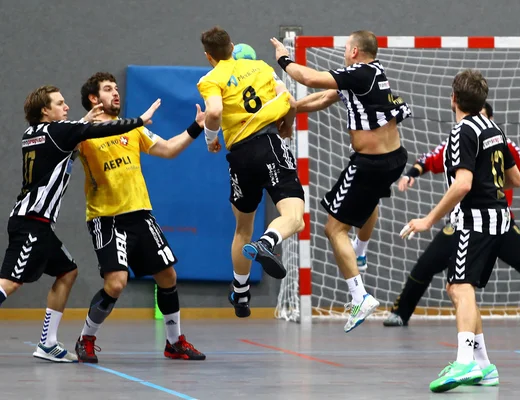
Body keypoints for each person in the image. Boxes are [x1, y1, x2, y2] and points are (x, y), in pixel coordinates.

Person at [385, 102, 520, 329]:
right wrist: (412, 173)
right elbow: (429, 159)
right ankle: (400, 312)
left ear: (491, 120)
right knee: (426, 265)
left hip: (499, 222)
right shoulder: (461, 140)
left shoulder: (500, 142)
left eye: (482, 116)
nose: (476, 121)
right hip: (464, 222)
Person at [0, 84, 158, 362]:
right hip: (30, 224)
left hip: (38, 224)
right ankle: (47, 342)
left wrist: (83, 122)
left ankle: (47, 343)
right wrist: (140, 121)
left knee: (68, 271)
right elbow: (95, 131)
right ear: (45, 110)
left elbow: (71, 134)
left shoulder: (32, 134)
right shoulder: (60, 131)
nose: (67, 106)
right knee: (10, 283)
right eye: (60, 103)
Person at [272, 30, 412, 332]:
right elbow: (324, 97)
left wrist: (283, 58)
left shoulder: (359, 72)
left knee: (333, 228)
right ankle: (360, 254)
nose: (343, 52)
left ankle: (359, 296)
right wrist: (292, 107)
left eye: (346, 48)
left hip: (370, 164)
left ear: (355, 52)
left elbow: (307, 78)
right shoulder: (373, 74)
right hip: (393, 158)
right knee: (368, 201)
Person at [400, 69, 520, 392]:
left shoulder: (462, 132)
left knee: (460, 287)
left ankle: (465, 362)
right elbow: (515, 180)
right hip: (500, 220)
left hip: (474, 220)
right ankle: (484, 366)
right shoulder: (494, 128)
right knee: (458, 289)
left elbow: (463, 184)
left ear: (453, 98)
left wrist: (428, 219)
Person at [74, 72, 206, 363]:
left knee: (168, 275)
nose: (116, 93)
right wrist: (84, 122)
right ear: (94, 99)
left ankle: (174, 343)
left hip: (140, 214)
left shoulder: (132, 130)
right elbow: (65, 151)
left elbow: (169, 149)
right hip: (106, 218)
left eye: (117, 88)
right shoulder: (82, 134)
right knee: (116, 283)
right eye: (108, 89)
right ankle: (86, 338)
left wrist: (197, 127)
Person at [198, 27, 305, 318]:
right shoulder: (261, 67)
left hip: (239, 156)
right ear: (232, 46)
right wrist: (288, 125)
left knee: (242, 228)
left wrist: (211, 139)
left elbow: (215, 113)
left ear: (209, 56)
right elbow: (290, 102)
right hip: (269, 144)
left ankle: (241, 293)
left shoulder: (210, 79)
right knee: (294, 217)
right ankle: (267, 243)